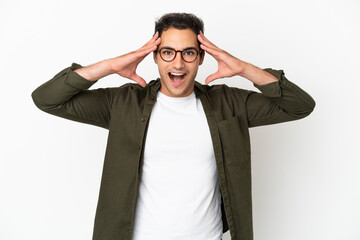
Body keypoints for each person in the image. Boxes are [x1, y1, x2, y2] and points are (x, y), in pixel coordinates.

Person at [31, 13, 315, 240]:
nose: (178, 63)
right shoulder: (123, 103)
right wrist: (110, 65)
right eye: (167, 52)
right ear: (155, 56)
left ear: (201, 57)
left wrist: (243, 68)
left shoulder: (228, 103)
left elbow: (300, 105)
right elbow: (47, 99)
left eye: (188, 53)